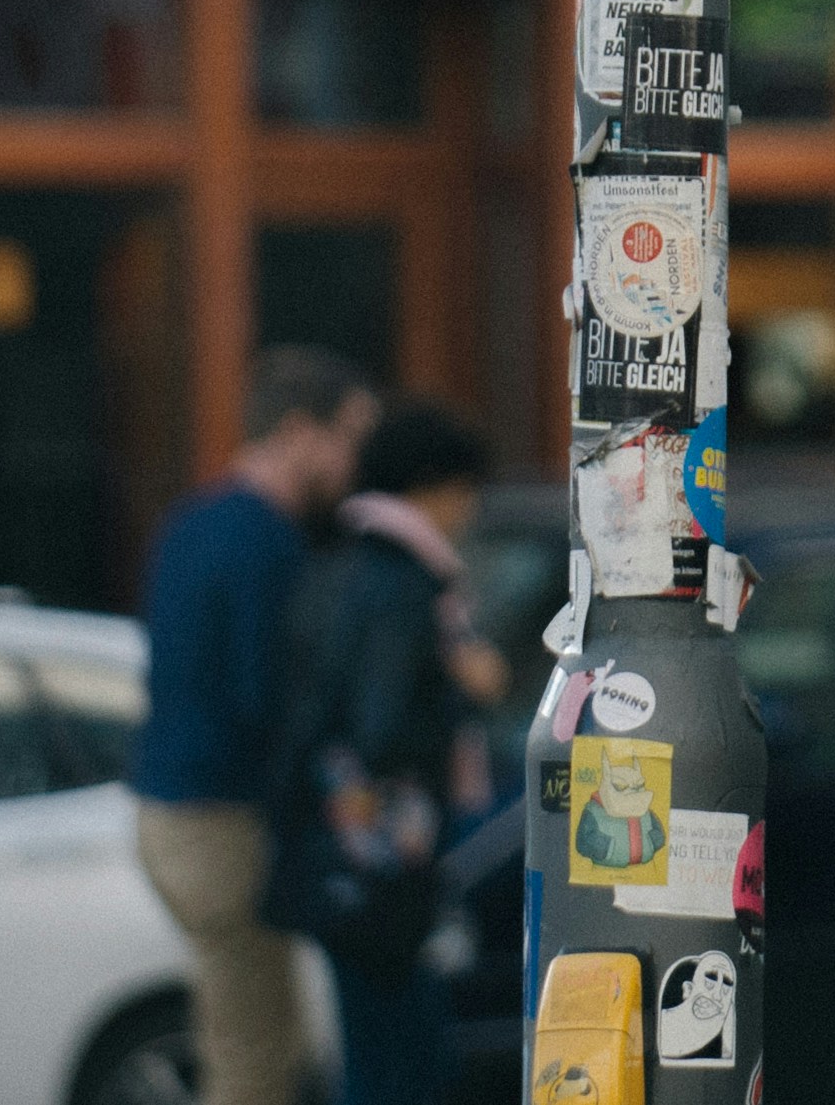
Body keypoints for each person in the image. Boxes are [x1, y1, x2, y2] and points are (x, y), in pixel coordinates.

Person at [135, 345, 377, 1105]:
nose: (353, 463)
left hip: (169, 807)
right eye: (347, 437)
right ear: (300, 431)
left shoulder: (191, 521)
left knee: (250, 1033)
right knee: (255, 1052)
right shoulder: (267, 541)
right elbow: (265, 696)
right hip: (224, 816)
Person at [273, 400, 507, 1105]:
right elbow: (382, 727)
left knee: (382, 1044)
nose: (469, 511)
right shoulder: (401, 579)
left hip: (339, 852)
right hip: (380, 855)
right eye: (465, 491)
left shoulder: (338, 558)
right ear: (435, 485)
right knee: (400, 1055)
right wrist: (463, 681)